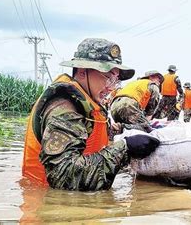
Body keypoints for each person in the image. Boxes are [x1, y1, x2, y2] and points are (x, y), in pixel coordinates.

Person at [22, 38, 160, 191]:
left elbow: (92, 137)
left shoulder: (89, 104)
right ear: (82, 72)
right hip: (46, 205)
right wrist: (125, 148)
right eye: (108, 78)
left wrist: (127, 133)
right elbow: (64, 178)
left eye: (115, 80)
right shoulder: (64, 110)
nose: (111, 88)